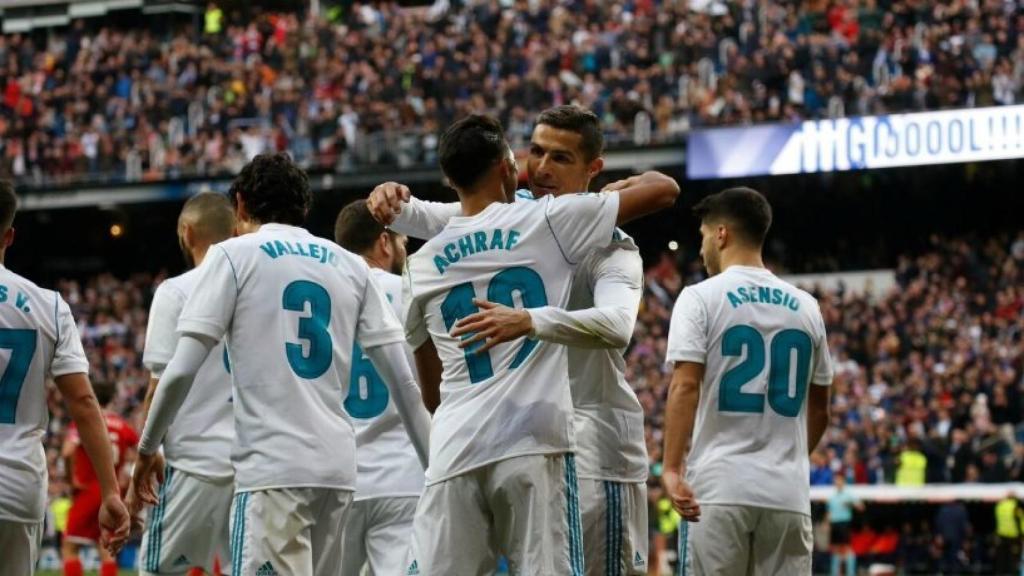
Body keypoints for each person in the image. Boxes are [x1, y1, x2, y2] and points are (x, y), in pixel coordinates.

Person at [369, 104, 651, 575]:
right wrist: (389, 198)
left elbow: (618, 327)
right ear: (512, 163)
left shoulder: (610, 244)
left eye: (561, 158)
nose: (542, 168)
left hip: (595, 452)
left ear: (593, 169)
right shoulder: (521, 219)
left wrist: (531, 320)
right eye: (536, 152)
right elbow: (442, 213)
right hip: (526, 443)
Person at [130, 153, 431, 576]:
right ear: (303, 206)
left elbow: (179, 371)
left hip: (272, 471)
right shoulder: (349, 265)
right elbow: (405, 386)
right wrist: (434, 471)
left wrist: (147, 449)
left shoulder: (232, 255)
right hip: (338, 475)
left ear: (239, 205)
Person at [662, 187, 833, 575]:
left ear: (721, 234)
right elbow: (821, 409)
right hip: (787, 494)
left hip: (719, 489)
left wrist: (671, 469)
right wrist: (787, 461)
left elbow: (685, 386)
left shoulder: (700, 297)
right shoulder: (807, 306)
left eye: (704, 235)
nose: (702, 248)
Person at [0, 180, 129, 575]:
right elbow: (84, 403)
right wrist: (111, 493)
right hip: (18, 484)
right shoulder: (49, 306)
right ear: (8, 236)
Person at [131, 192, 237, 576]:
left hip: (194, 462)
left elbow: (159, 384)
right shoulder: (256, 287)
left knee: (158, 570)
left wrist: (146, 452)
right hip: (253, 463)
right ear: (235, 231)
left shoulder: (175, 290)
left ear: (187, 233)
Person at [333, 200, 429, 575]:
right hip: (404, 473)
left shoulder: (323, 296)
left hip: (339, 475)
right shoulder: (411, 292)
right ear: (384, 242)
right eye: (402, 241)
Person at [61, 380, 137, 576]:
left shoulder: (85, 420)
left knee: (70, 546)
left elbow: (67, 451)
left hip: (88, 489)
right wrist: (128, 481)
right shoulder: (124, 426)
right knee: (106, 547)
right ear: (112, 398)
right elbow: (139, 455)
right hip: (113, 492)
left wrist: (71, 479)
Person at [827, 474, 863, 576]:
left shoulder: (849, 494)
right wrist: (828, 524)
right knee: (835, 549)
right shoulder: (832, 496)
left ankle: (851, 573)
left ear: (843, 481)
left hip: (844, 523)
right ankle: (834, 573)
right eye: (836, 481)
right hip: (834, 524)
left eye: (839, 480)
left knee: (847, 548)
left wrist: (850, 504)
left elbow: (861, 507)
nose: (837, 482)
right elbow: (829, 511)